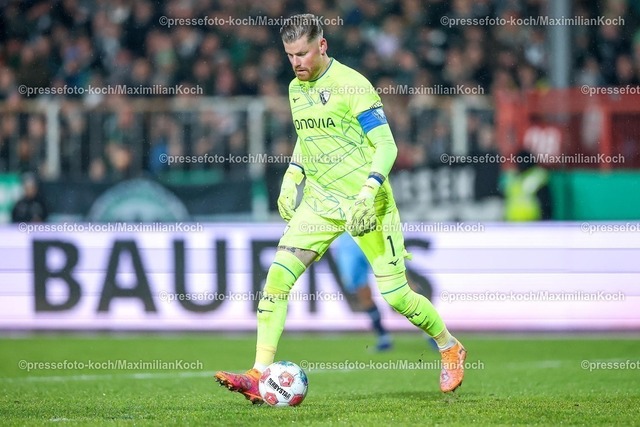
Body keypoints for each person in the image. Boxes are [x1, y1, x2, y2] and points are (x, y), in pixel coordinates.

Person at [215, 14, 466, 404]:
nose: (296, 63)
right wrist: (292, 175)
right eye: (289, 56)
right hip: (319, 202)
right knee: (276, 280)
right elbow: (308, 136)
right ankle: (258, 374)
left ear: (322, 45)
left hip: (367, 204)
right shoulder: (296, 89)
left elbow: (387, 146)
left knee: (397, 296)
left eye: (302, 54)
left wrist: (368, 191)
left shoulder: (353, 85)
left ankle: (449, 346)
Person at [333, 233, 393, 352]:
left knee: (402, 284)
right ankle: (383, 336)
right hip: (349, 242)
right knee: (361, 289)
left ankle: (429, 331)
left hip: (376, 237)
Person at [504, 149, 552, 221]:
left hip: (533, 222)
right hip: (512, 222)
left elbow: (545, 203)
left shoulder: (537, 177)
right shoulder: (513, 178)